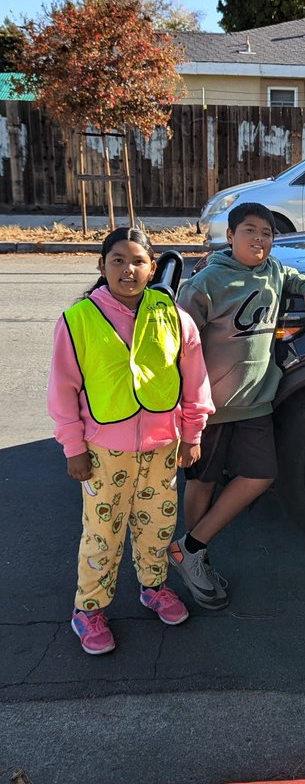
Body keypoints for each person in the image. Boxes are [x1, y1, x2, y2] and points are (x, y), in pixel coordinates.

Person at [48, 227, 214, 656]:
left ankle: (153, 587)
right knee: (103, 532)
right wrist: (74, 447)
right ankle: (88, 609)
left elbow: (194, 383)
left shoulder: (174, 316)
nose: (128, 269)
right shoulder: (77, 320)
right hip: (105, 450)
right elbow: (63, 390)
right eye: (117, 260)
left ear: (152, 268)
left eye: (138, 261)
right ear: (101, 266)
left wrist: (191, 435)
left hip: (162, 445)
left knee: (156, 525)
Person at [173, 202, 305, 606]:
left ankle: (188, 547)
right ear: (231, 235)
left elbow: (292, 275)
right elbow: (177, 345)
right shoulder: (205, 284)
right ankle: (197, 556)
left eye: (267, 233)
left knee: (260, 475)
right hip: (212, 409)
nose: (259, 239)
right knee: (202, 481)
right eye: (250, 230)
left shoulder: (274, 271)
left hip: (257, 402)